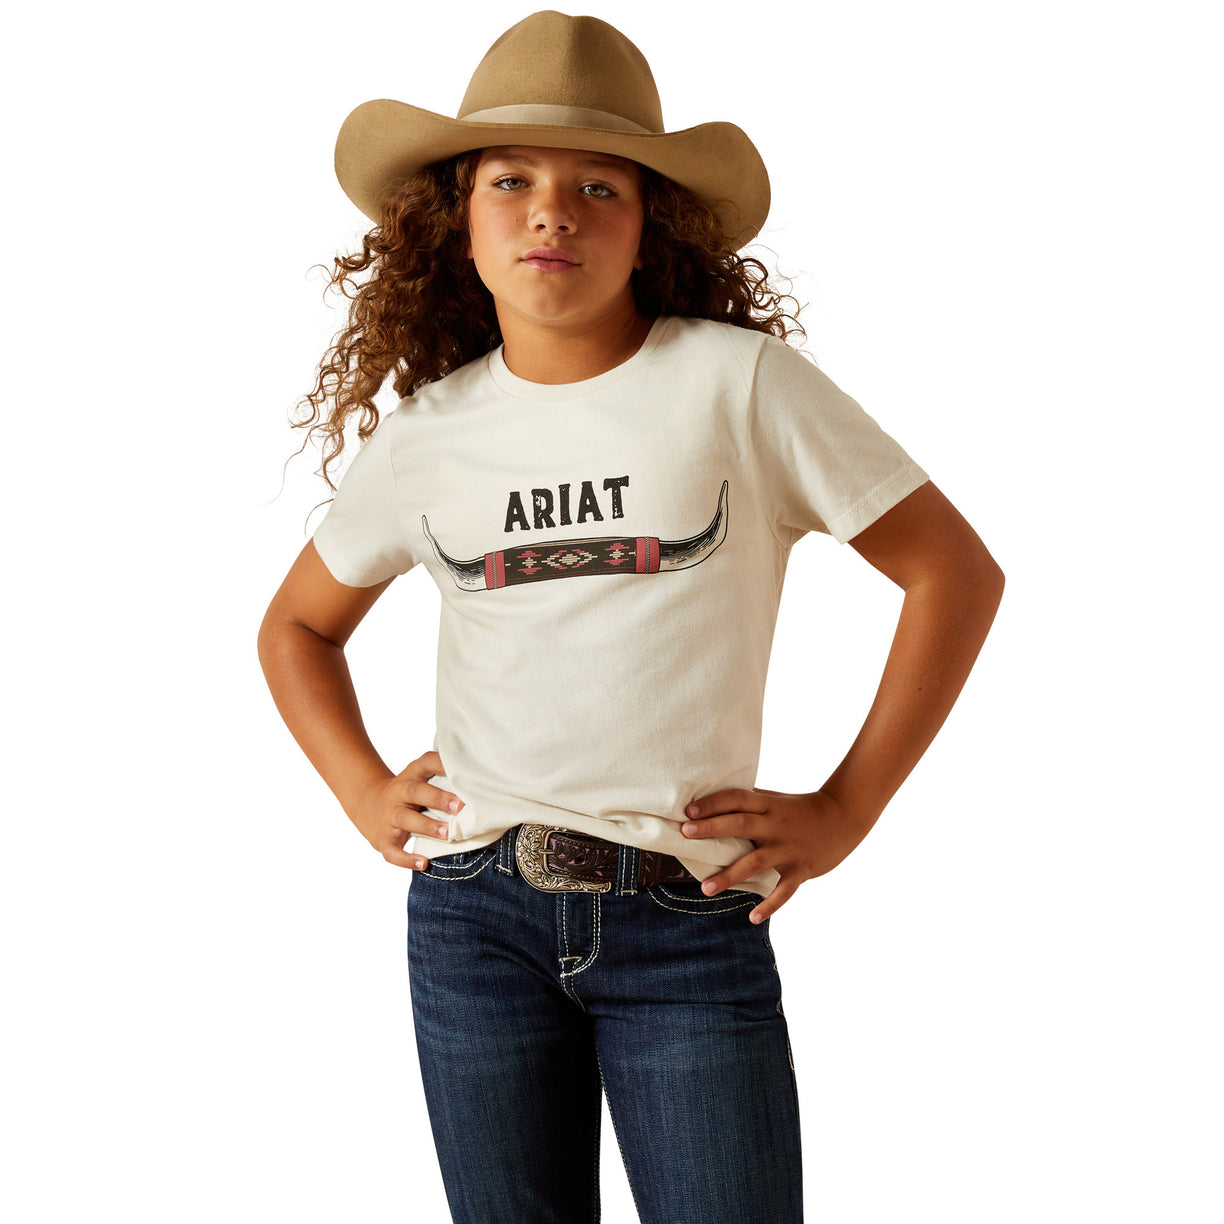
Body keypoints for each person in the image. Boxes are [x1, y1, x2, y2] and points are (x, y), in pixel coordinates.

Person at [257, 11, 1004, 1223]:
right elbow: (296, 627)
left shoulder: (736, 385)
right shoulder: (430, 435)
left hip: (687, 924)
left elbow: (954, 573)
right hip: (472, 923)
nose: (553, 211)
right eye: (513, 180)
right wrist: (358, 787)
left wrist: (847, 805)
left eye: (597, 184)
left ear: (650, 222)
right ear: (459, 220)